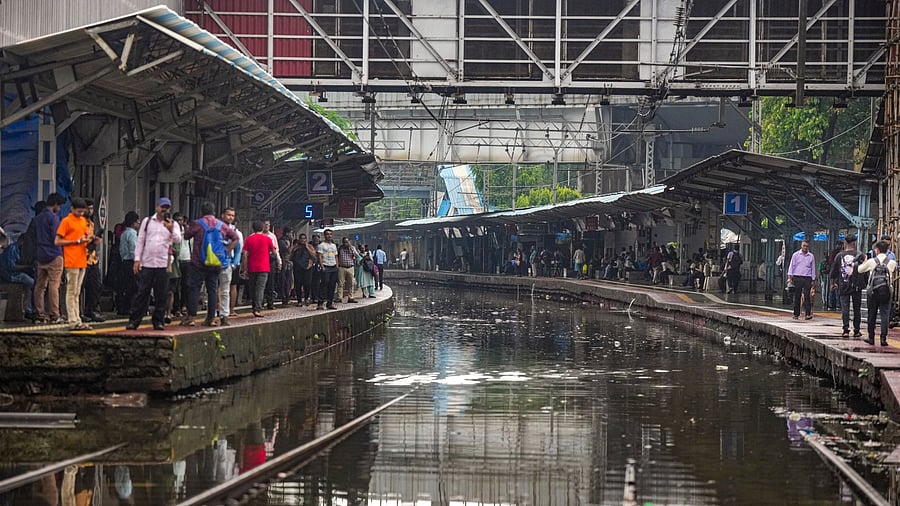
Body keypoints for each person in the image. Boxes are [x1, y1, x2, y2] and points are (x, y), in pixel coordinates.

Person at [126, 197, 182, 331]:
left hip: (163, 263)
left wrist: (170, 229)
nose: (164, 210)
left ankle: (158, 320)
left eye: (167, 208)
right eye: (162, 207)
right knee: (142, 293)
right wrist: (137, 259)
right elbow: (140, 241)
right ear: (157, 207)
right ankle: (134, 320)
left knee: (161, 294)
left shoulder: (173, 224)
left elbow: (178, 239)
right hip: (148, 263)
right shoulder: (147, 222)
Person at [182, 201, 239, 327]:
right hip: (216, 262)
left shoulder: (198, 223)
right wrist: (227, 250)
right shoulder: (221, 225)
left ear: (202, 212)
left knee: (194, 289)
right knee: (212, 290)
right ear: (214, 212)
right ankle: (211, 318)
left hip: (198, 262)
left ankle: (191, 317)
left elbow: (186, 236)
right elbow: (235, 238)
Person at [55, 197, 97, 331]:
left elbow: (84, 238)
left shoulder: (83, 221)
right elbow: (57, 241)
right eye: (78, 211)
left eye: (82, 212)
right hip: (71, 259)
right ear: (72, 209)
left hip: (82, 259)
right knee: (72, 290)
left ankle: (77, 318)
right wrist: (75, 242)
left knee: (77, 291)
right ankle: (72, 320)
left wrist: (91, 240)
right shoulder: (66, 221)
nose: (80, 214)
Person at [33, 193, 66, 324]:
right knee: (54, 285)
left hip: (41, 255)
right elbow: (56, 237)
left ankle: (39, 314)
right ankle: (55, 314)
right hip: (54, 254)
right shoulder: (53, 218)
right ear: (56, 205)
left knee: (40, 286)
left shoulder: (38, 218)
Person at [859, 240, 897, 346]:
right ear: (887, 250)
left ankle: (871, 337)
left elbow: (859, 270)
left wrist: (864, 262)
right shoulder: (892, 263)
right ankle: (883, 339)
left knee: (872, 314)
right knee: (885, 315)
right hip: (886, 291)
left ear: (877, 250)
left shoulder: (871, 261)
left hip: (873, 292)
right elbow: (893, 270)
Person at [830, 235, 865, 339]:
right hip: (856, 286)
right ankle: (857, 330)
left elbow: (833, 272)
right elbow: (865, 270)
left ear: (845, 242)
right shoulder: (860, 255)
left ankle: (845, 330)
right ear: (854, 242)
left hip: (843, 285)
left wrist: (833, 282)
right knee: (856, 308)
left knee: (845, 308)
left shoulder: (839, 255)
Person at [242, 220, 275, 317]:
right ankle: (257, 308)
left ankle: (254, 306)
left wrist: (244, 268)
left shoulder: (249, 239)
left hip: (252, 267)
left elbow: (245, 255)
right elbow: (273, 251)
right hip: (264, 267)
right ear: (262, 228)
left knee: (252, 288)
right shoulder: (268, 239)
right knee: (260, 288)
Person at [216, 207, 241, 326]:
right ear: (222, 215)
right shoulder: (216, 229)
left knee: (225, 290)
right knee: (214, 289)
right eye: (228, 215)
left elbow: (238, 249)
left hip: (227, 264)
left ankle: (224, 315)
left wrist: (234, 264)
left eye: (232, 215)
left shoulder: (235, 231)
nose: (230, 217)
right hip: (213, 263)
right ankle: (214, 312)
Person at [81, 199, 105, 323]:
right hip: (82, 258)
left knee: (95, 286)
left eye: (91, 208)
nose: (90, 211)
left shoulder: (91, 223)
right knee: (79, 288)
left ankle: (91, 310)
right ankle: (79, 312)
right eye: (88, 208)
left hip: (92, 259)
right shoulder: (79, 223)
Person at [787, 240, 817, 321]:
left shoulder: (811, 256)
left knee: (807, 296)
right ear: (801, 246)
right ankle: (796, 314)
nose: (805, 247)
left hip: (807, 277)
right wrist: (790, 277)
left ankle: (807, 314)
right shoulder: (796, 255)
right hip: (797, 277)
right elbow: (792, 266)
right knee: (797, 295)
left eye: (807, 246)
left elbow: (813, 268)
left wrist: (813, 279)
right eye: (804, 246)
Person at [117, 211, 140, 315]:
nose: (138, 225)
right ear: (133, 223)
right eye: (137, 222)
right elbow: (134, 249)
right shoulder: (132, 234)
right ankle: (130, 307)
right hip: (131, 262)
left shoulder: (123, 233)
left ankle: (123, 308)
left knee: (125, 286)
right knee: (133, 286)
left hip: (124, 261)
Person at [291, 234, 317, 305]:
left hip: (307, 267)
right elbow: (291, 255)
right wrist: (294, 248)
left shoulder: (310, 246)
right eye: (301, 238)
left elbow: (314, 255)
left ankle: (306, 298)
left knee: (307, 283)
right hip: (297, 268)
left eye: (304, 238)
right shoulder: (296, 247)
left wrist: (307, 247)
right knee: (298, 284)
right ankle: (299, 300)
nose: (303, 240)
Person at [316, 229, 339, 310]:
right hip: (326, 266)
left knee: (332, 285)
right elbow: (319, 256)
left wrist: (337, 265)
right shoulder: (321, 245)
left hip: (333, 267)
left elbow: (336, 256)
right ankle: (320, 303)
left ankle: (330, 303)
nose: (329, 236)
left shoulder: (334, 246)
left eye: (330, 234)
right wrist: (322, 266)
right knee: (324, 284)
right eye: (327, 234)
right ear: (324, 235)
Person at [262, 220, 282, 310]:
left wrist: (279, 260)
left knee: (271, 282)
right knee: (261, 282)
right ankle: (260, 302)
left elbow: (276, 249)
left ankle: (270, 302)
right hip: (261, 259)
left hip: (270, 259)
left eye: (268, 225)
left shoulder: (272, 236)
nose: (266, 226)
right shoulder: (258, 235)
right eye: (265, 225)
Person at [336, 236, 359, 303]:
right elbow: (336, 256)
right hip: (341, 267)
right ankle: (339, 297)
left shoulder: (352, 248)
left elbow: (357, 255)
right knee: (340, 283)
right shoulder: (340, 248)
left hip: (350, 267)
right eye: (344, 242)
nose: (346, 243)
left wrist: (351, 249)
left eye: (347, 242)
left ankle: (350, 297)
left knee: (351, 283)